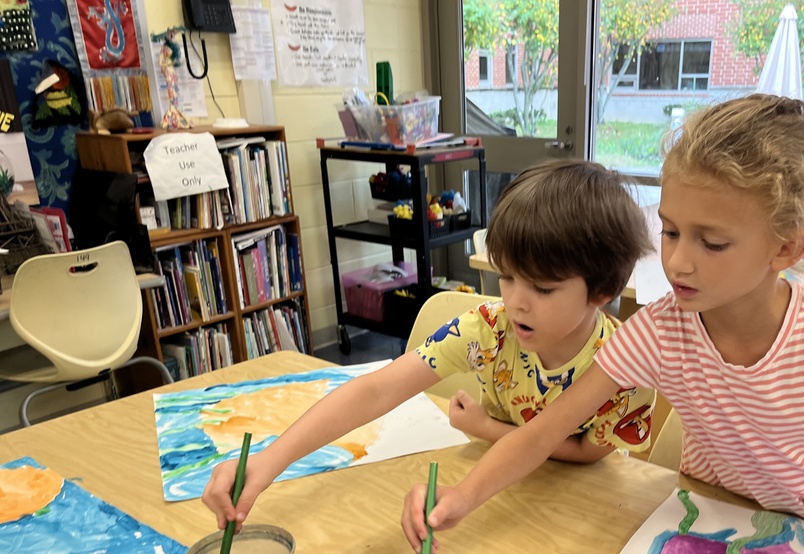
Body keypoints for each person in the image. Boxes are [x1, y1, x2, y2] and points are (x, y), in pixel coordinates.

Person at [401, 94, 804, 554]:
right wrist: (463, 496)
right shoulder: (659, 331)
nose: (676, 260)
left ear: (786, 247)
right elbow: (545, 431)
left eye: (712, 242)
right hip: (717, 517)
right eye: (671, 231)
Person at [202, 158, 657, 527]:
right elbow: (377, 389)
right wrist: (269, 461)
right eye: (507, 277)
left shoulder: (624, 367)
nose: (516, 303)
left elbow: (586, 455)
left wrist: (486, 428)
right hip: (489, 486)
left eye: (542, 288)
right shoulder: (489, 329)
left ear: (602, 289)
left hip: (576, 508)